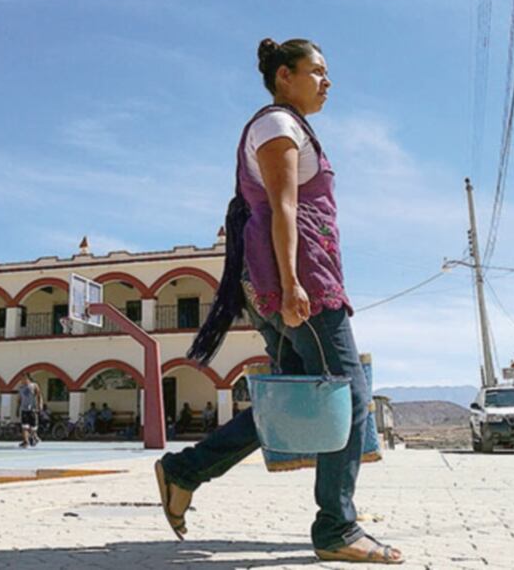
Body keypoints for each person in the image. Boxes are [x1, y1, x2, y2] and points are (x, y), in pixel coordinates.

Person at [154, 40, 403, 564]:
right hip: (302, 287)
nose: (327, 81)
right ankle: (336, 526)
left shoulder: (289, 128)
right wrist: (293, 286)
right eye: (317, 71)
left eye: (327, 73)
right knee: (348, 397)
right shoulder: (276, 126)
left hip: (291, 282)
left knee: (288, 404)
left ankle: (185, 470)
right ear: (284, 75)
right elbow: (283, 207)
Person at [17, 374, 42, 448]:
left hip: (32, 409)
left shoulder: (34, 385)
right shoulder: (21, 388)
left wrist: (40, 404)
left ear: (27, 378)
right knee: (24, 426)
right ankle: (26, 441)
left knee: (33, 427)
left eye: (23, 378)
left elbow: (39, 395)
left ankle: (34, 436)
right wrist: (17, 409)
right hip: (24, 409)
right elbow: (19, 399)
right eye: (21, 379)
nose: (22, 380)